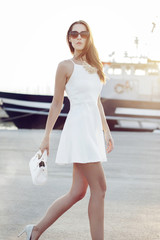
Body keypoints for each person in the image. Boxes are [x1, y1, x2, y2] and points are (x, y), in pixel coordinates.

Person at [18, 20, 114, 240]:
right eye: (74, 34)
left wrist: (106, 132)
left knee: (78, 192)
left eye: (83, 33)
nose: (79, 37)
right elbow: (57, 103)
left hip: (92, 131)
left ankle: (36, 230)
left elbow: (96, 101)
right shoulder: (65, 66)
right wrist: (46, 137)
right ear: (69, 39)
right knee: (99, 188)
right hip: (79, 130)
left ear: (89, 38)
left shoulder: (96, 66)